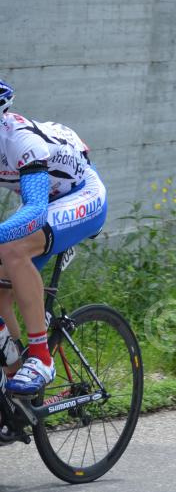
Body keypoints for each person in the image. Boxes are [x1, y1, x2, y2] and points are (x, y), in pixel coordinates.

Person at [0, 79, 107, 394]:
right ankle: (16, 391)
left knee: (12, 249)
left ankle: (42, 358)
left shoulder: (19, 140)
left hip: (82, 196)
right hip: (48, 203)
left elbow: (34, 210)